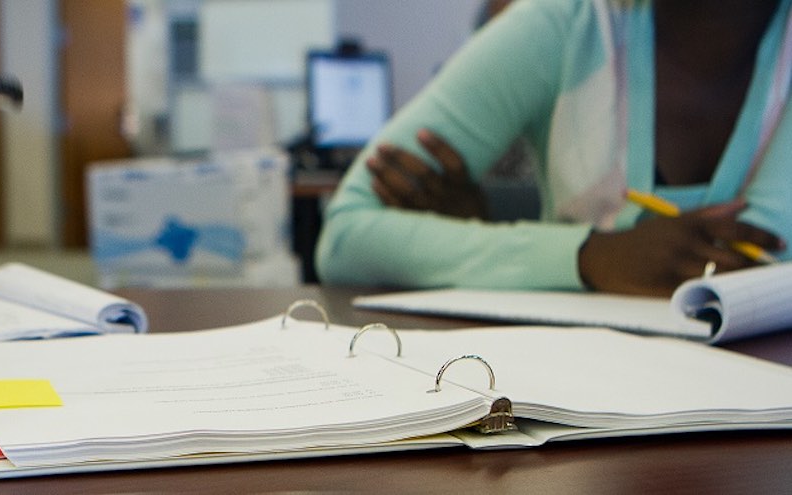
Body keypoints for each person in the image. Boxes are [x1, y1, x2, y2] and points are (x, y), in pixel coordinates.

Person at [316, 0, 791, 297]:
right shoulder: (563, 22)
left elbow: (764, 263)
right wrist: (589, 257)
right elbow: (346, 235)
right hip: (573, 415)